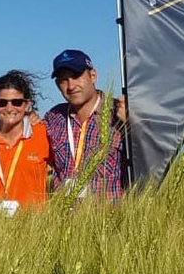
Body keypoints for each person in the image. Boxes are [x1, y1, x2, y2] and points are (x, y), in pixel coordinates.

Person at [44, 49, 127, 201]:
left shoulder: (120, 113)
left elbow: (153, 160)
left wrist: (136, 125)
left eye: (76, 76)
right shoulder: (53, 117)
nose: (71, 86)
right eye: (63, 80)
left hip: (109, 220)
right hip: (62, 220)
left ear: (93, 76)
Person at [0, 70, 51, 214]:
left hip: (33, 227)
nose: (9, 108)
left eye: (17, 102)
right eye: (2, 103)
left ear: (27, 105)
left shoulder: (43, 134)